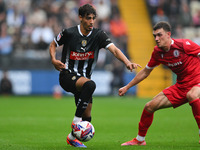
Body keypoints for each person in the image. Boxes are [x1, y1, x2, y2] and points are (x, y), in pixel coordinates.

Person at [49, 4, 141, 148]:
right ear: (80, 18)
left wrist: (127, 62)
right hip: (67, 76)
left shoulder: (99, 35)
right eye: (88, 18)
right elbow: (53, 45)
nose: (91, 21)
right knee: (90, 85)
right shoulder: (69, 33)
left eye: (93, 18)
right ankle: (75, 124)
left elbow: (115, 50)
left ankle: (72, 137)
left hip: (83, 79)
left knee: (88, 119)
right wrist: (54, 60)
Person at [119, 21, 200, 146]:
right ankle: (140, 140)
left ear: (168, 34)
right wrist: (127, 87)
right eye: (154, 36)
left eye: (159, 35)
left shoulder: (184, 45)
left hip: (197, 81)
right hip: (181, 86)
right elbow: (146, 72)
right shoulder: (157, 53)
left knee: (192, 95)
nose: (156, 39)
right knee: (149, 106)